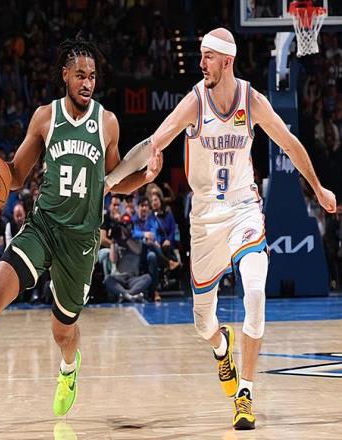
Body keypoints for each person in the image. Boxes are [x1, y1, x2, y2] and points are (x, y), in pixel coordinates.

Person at [105, 28, 337, 430]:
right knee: (203, 323)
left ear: (227, 61)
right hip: (205, 218)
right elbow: (152, 144)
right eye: (200, 56)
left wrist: (317, 188)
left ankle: (244, 393)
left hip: (244, 209)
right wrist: (109, 183)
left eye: (207, 57)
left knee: (255, 289)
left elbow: (289, 142)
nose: (201, 64)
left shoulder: (251, 100)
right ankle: (221, 346)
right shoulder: (195, 102)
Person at [0, 37, 162, 422]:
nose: (87, 82)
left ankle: (69, 368)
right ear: (65, 75)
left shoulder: (107, 123)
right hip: (43, 226)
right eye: (80, 75)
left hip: (80, 241)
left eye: (92, 76)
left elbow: (115, 180)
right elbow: (16, 175)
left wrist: (145, 177)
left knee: (62, 331)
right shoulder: (45, 118)